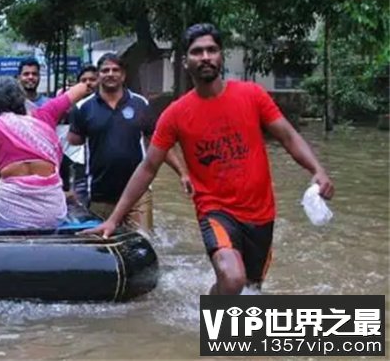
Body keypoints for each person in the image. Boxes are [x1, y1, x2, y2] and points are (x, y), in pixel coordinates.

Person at [85, 23, 335, 295]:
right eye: (197, 51)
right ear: (185, 61)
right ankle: (214, 328)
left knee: (251, 288)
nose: (205, 56)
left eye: (211, 50)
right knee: (232, 278)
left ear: (221, 56)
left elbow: (288, 136)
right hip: (215, 211)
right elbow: (148, 167)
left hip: (261, 213)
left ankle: (214, 309)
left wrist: (317, 169)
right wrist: (114, 219)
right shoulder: (175, 114)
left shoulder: (252, 95)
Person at [68, 53, 190, 230]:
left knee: (142, 244)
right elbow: (74, 142)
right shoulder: (83, 108)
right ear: (98, 75)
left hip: (138, 193)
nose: (110, 74)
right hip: (99, 193)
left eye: (115, 70)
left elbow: (160, 144)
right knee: (103, 249)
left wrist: (182, 173)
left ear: (123, 75)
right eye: (105, 70)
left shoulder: (140, 104)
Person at [0, 76, 91, 228]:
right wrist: (87, 83)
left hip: (11, 210)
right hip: (51, 210)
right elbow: (77, 91)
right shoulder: (45, 114)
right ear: (21, 98)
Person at [57, 65, 99, 207]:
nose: (88, 83)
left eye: (92, 79)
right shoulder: (67, 110)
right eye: (83, 80)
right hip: (73, 170)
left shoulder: (108, 109)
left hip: (97, 171)